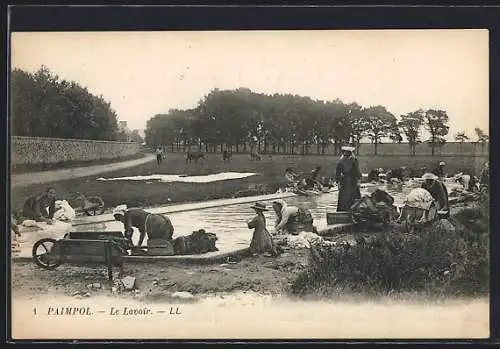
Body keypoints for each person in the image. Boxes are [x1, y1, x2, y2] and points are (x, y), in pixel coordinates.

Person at [335, 145, 361, 212]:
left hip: (344, 182)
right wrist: (358, 181)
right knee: (353, 196)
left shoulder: (341, 161)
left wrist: (338, 182)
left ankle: (343, 211)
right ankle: (354, 210)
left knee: (343, 197)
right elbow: (357, 172)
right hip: (352, 182)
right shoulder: (354, 160)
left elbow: (337, 173)